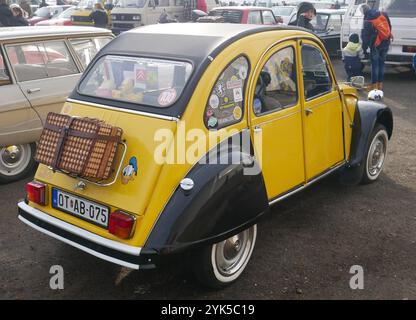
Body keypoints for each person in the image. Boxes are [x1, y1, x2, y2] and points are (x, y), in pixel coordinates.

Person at [361, 4, 393, 91]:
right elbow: (389, 26)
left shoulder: (368, 20)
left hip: (375, 45)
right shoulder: (383, 13)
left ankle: (374, 86)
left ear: (364, 12)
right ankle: (380, 85)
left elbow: (365, 37)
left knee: (375, 65)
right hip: (386, 42)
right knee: (382, 64)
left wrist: (364, 49)